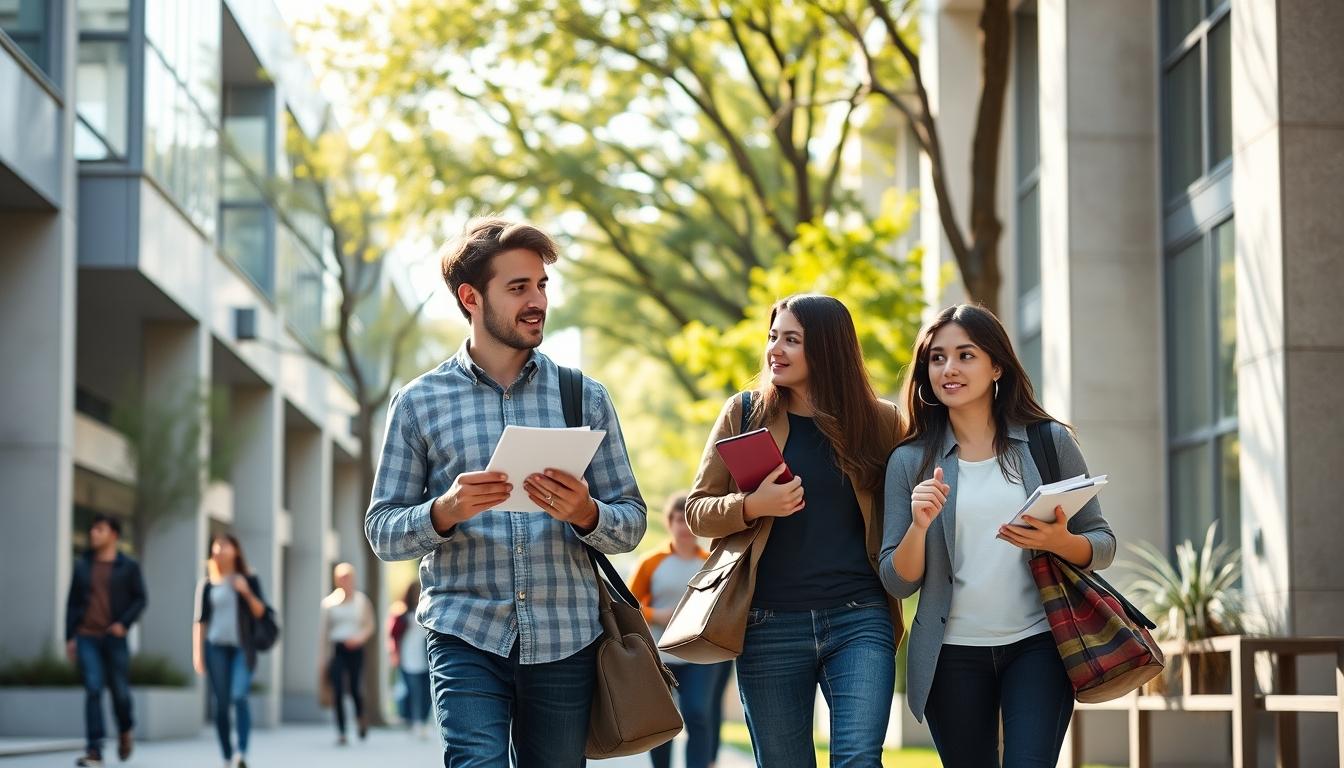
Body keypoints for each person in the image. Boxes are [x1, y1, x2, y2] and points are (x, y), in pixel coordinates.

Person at [365, 216, 647, 767]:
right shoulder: (418, 403)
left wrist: (587, 512)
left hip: (566, 635)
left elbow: (632, 520)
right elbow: (382, 531)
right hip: (464, 631)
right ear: (472, 297)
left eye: (541, 285)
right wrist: (443, 511)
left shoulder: (584, 397)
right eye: (518, 287)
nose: (537, 299)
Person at [881, 304, 1116, 767]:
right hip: (951, 656)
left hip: (1040, 645)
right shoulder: (909, 462)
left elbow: (1102, 544)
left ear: (997, 366)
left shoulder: (1049, 443)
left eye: (966, 355)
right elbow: (897, 580)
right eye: (937, 357)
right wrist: (919, 524)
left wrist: (1055, 540)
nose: (949, 368)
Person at [685, 293, 904, 767]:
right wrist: (752, 505)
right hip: (768, 623)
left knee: (859, 758)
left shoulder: (881, 421)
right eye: (772, 337)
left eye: (791, 339)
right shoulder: (744, 414)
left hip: (859, 617)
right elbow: (698, 511)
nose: (774, 350)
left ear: (827, 348)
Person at [630, 493, 729, 768]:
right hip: (660, 656)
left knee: (698, 713)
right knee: (663, 721)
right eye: (678, 520)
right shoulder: (651, 563)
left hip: (701, 655)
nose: (684, 527)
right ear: (669, 523)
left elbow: (725, 605)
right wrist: (655, 614)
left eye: (689, 520)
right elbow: (628, 605)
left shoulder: (713, 562)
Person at [65, 514, 146, 767]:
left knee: (120, 692)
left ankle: (125, 729)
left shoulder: (128, 566)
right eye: (92, 530)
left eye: (99, 529)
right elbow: (72, 603)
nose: (93, 534)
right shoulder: (82, 565)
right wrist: (70, 637)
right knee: (93, 689)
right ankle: (94, 750)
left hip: (114, 637)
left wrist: (124, 623)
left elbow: (141, 598)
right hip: (87, 636)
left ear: (114, 535)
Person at [194, 533, 267, 768]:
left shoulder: (249, 578)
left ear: (235, 550)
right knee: (221, 704)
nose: (220, 549)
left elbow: (260, 612)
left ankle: (241, 753)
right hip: (215, 649)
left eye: (225, 545)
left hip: (241, 650)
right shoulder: (207, 584)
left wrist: (245, 591)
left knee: (239, 696)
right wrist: (198, 654)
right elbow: (200, 622)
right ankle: (227, 755)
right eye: (217, 545)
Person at [318, 562, 375, 745]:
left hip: (356, 648)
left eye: (348, 577)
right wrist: (322, 658)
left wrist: (359, 638)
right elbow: (324, 633)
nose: (345, 581)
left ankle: (360, 718)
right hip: (337, 649)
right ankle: (342, 730)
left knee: (355, 687)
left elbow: (369, 625)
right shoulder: (329, 603)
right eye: (341, 577)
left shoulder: (361, 601)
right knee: (338, 689)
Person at [388, 581, 432, 738]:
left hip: (426, 657)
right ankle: (415, 721)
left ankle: (423, 720)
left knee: (427, 691)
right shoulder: (402, 613)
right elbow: (393, 635)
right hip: (409, 656)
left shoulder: (430, 608)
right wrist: (395, 654)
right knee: (414, 691)